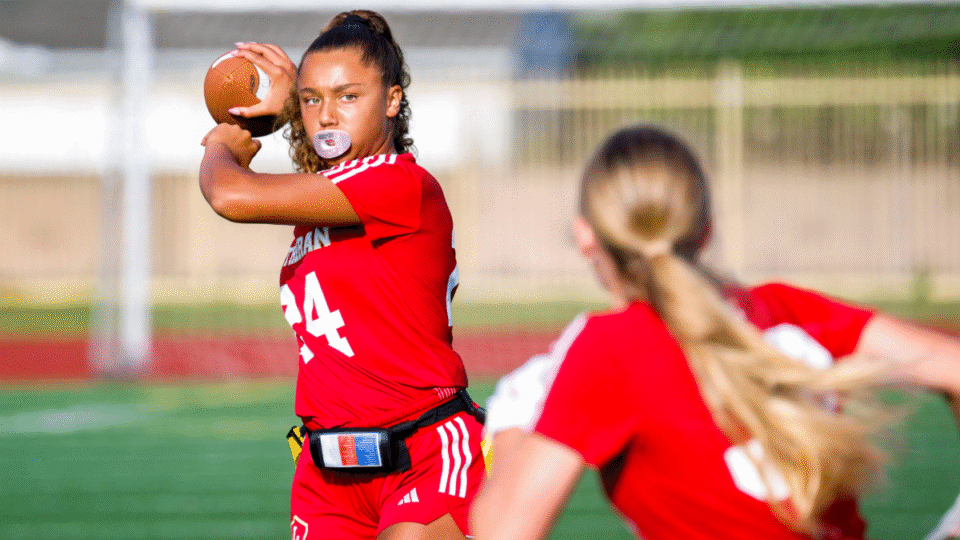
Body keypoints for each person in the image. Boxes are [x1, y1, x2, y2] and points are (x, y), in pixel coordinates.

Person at [470, 125, 960, 540]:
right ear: (706, 229)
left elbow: (503, 532)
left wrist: (513, 422)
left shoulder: (609, 347)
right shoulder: (783, 307)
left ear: (585, 236)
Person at [199, 10, 484, 540]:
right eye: (313, 100)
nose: (329, 115)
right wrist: (290, 111)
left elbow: (231, 194)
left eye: (349, 96)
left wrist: (224, 144)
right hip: (325, 471)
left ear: (393, 101)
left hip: (422, 453)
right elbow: (323, 158)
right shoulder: (329, 192)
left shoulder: (400, 184)